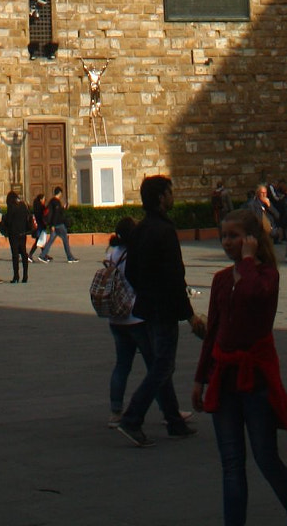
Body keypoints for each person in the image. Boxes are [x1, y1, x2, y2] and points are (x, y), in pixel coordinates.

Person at [193, 204, 287, 526]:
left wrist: (246, 260)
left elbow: (252, 292)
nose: (227, 242)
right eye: (224, 237)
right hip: (224, 377)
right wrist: (200, 377)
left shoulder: (266, 276)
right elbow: (213, 332)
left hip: (254, 379)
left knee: (266, 459)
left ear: (251, 240)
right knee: (231, 463)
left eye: (235, 237)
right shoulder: (219, 280)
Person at [115, 173, 204, 444]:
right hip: (164, 309)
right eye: (170, 192)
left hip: (146, 307)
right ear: (161, 198)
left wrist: (146, 291)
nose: (172, 196)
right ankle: (132, 419)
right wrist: (190, 316)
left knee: (160, 364)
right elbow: (175, 277)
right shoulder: (165, 231)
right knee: (163, 366)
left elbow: (130, 271)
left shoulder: (141, 228)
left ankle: (174, 421)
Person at [104, 215, 146, 426]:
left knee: (122, 365)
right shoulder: (134, 254)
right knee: (155, 366)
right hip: (135, 315)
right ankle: (168, 411)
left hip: (115, 315)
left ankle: (115, 412)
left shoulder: (112, 253)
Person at [3, 188, 32, 283]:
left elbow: (9, 221)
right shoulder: (23, 206)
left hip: (14, 234)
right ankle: (25, 276)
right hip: (23, 233)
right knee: (24, 253)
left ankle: (16, 276)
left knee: (15, 255)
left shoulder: (11, 207)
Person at [39, 185, 75, 262]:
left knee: (50, 241)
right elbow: (56, 214)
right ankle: (70, 257)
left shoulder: (52, 201)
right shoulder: (56, 202)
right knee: (65, 240)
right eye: (61, 194)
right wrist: (53, 225)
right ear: (59, 193)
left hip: (54, 225)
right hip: (58, 224)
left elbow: (54, 213)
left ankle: (42, 255)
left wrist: (63, 208)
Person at [30, 188, 50, 262]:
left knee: (40, 241)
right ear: (41, 200)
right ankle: (31, 255)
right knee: (39, 241)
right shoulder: (41, 207)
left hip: (39, 226)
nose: (45, 200)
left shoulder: (37, 206)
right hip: (40, 226)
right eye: (44, 199)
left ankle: (44, 254)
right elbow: (43, 216)